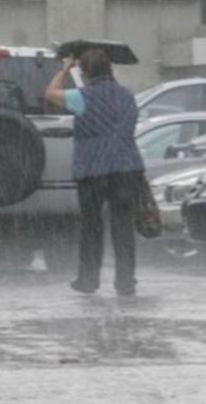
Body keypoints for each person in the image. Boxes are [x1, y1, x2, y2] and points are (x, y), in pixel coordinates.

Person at [44, 48, 145, 296]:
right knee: (123, 226)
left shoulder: (81, 97)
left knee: (92, 226)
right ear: (110, 70)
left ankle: (88, 280)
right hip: (126, 167)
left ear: (85, 72)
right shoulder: (127, 96)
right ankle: (125, 281)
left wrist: (65, 69)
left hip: (93, 169)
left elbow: (49, 94)